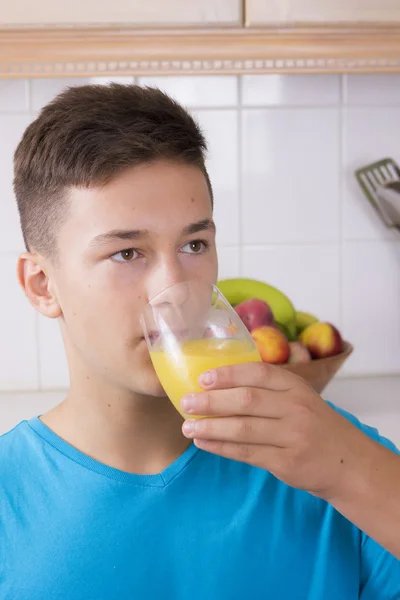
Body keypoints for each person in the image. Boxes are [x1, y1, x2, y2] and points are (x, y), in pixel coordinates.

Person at [0, 82, 399, 600]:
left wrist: (355, 471)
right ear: (42, 284)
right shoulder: (11, 498)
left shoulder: (332, 454)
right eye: (126, 253)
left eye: (194, 244)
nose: (174, 287)